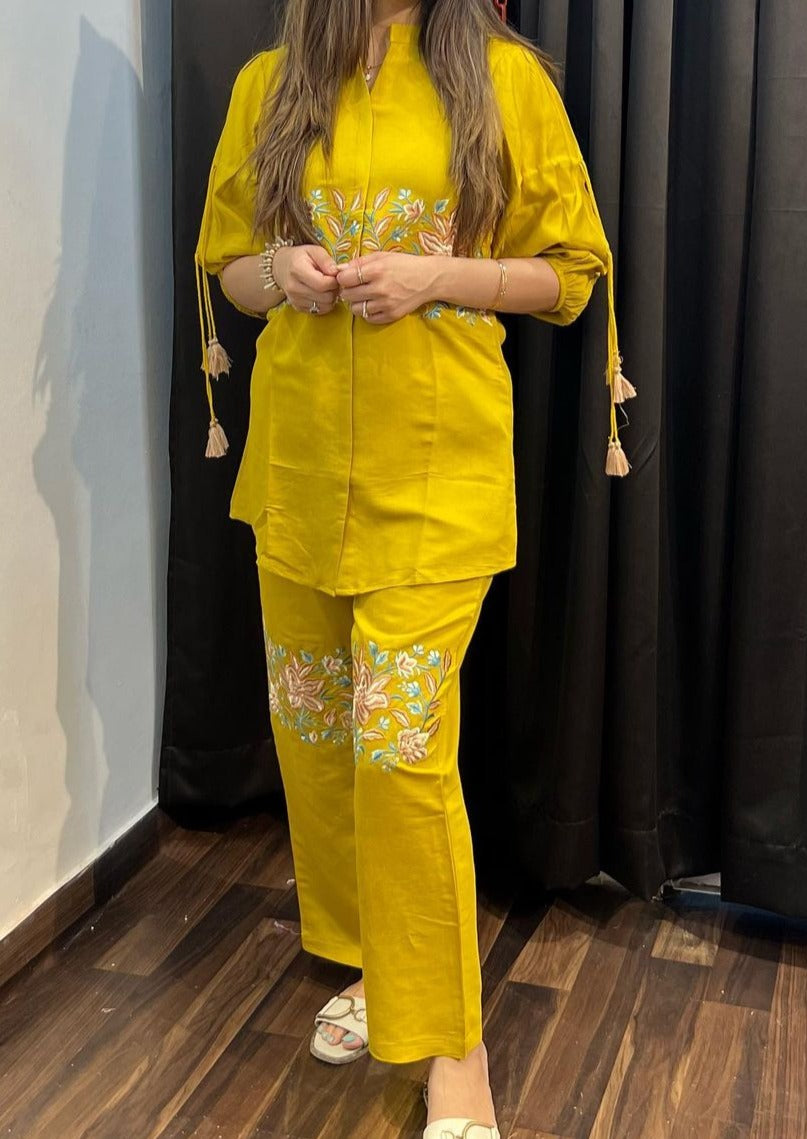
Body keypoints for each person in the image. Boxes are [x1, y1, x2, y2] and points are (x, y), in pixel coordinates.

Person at [193, 2, 635, 1137]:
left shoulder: (503, 80)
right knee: (316, 735)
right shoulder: (268, 83)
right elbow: (229, 267)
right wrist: (282, 273)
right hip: (297, 469)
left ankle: (454, 1046)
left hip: (434, 475)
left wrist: (435, 278)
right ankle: (370, 966)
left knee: (398, 755)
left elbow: (567, 275)